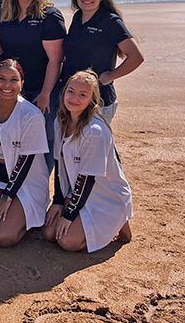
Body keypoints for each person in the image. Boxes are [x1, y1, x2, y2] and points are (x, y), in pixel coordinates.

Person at [42, 70, 133, 252]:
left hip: (104, 196)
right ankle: (82, 218)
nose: (74, 98)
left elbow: (88, 179)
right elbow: (59, 166)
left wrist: (69, 215)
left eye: (83, 95)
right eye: (71, 91)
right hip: (79, 191)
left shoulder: (95, 131)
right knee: (49, 233)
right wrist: (58, 201)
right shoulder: (60, 122)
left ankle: (118, 219)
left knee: (68, 242)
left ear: (92, 99)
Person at [0, 0, 65, 169]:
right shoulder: (4, 14)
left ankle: (42, 184)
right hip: (13, 89)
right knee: (15, 137)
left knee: (46, 140)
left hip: (42, 89)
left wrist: (45, 94)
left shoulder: (49, 16)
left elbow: (56, 59)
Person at [0, 59, 50, 246]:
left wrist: (7, 197)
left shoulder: (32, 115)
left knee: (3, 237)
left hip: (24, 184)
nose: (7, 85)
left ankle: (21, 218)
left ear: (22, 83)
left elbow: (25, 161)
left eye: (14, 80)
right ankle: (3, 210)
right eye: (1, 79)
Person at [62, 0, 144, 122]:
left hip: (99, 99)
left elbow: (136, 57)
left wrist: (111, 76)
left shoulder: (110, 21)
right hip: (73, 97)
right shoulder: (77, 17)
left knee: (97, 142)